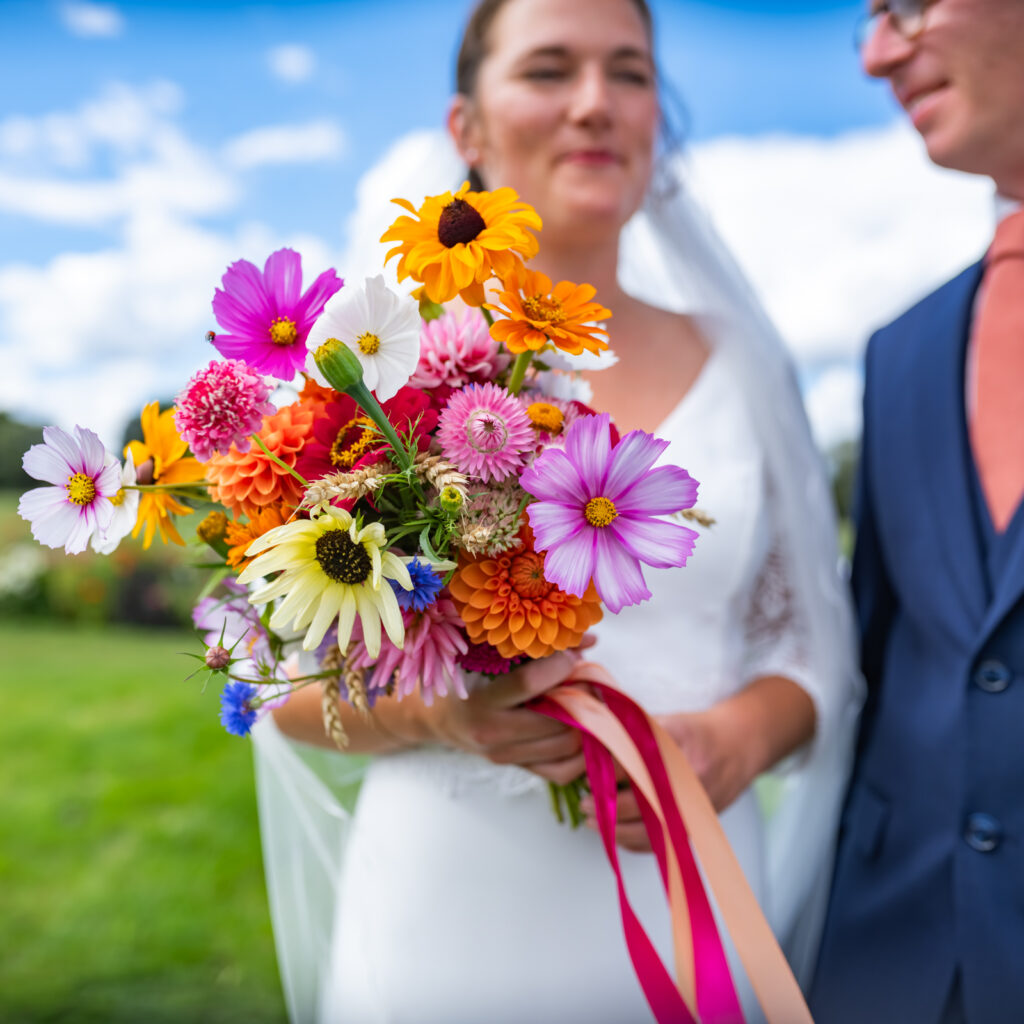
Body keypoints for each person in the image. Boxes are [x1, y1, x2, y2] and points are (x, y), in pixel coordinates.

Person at [252, 1, 862, 1021]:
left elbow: (809, 644)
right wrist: (435, 710)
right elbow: (275, 677)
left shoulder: (745, 365)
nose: (594, 104)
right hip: (450, 908)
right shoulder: (383, 363)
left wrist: (736, 739)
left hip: (691, 885)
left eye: (628, 73)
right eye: (547, 71)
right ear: (468, 127)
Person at [809, 2, 1024, 1022]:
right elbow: (885, 659)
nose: (875, 54)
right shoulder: (898, 353)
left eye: (907, 3)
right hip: (891, 964)